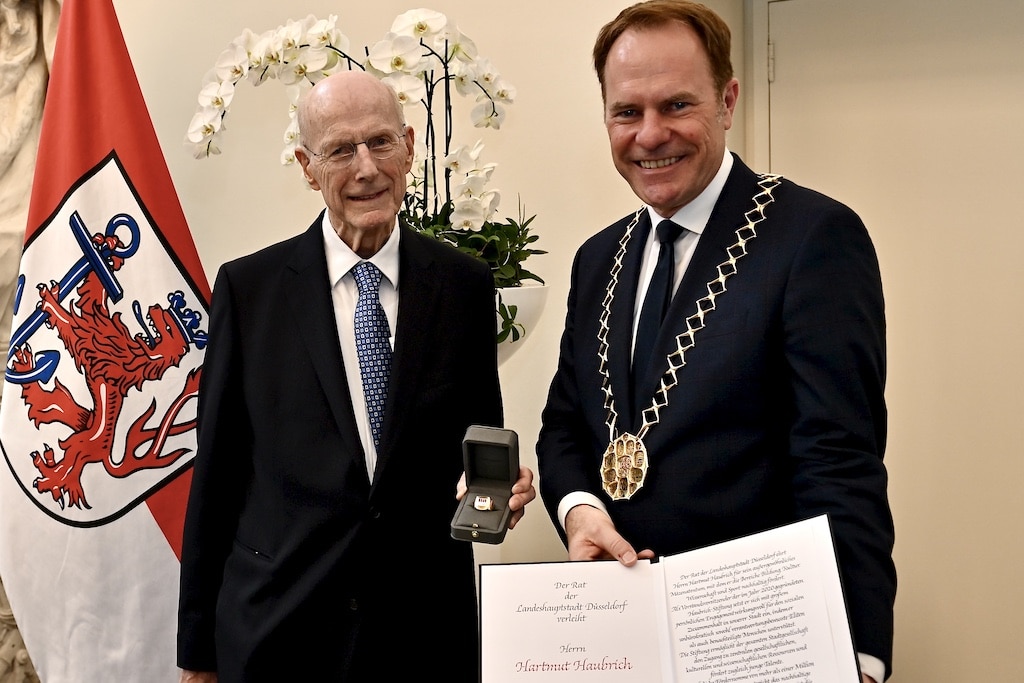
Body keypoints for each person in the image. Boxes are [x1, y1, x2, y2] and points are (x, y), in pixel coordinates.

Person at [535, 2, 895, 681]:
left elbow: (840, 463)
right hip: (618, 640)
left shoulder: (813, 237)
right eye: (626, 112)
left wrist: (858, 655)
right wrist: (580, 509)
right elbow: (564, 427)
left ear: (728, 100)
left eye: (676, 105)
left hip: (759, 639)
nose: (649, 135)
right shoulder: (596, 259)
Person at [176, 69, 536, 682]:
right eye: (341, 150)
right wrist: (197, 654)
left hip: (421, 639)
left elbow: (479, 449)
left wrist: (501, 497)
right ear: (306, 166)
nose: (367, 168)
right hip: (279, 636)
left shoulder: (464, 286)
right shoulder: (249, 291)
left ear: (411, 145)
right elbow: (217, 477)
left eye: (381, 142)